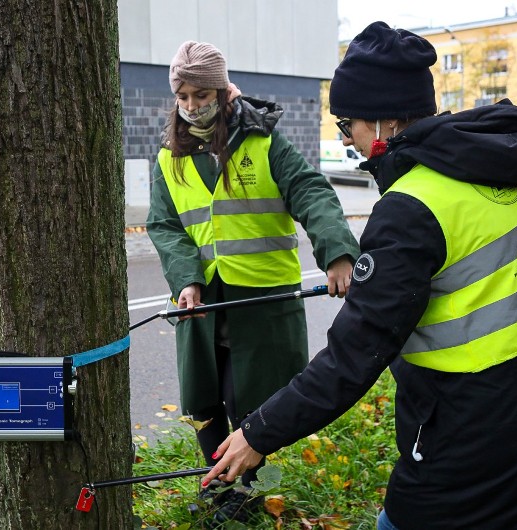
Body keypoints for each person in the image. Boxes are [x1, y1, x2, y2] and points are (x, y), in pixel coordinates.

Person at [202, 21, 517, 529]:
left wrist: (258, 432)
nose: (349, 140)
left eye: (347, 124)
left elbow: (353, 355)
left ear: (383, 123)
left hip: (478, 441)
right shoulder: (492, 165)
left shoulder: (409, 207)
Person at [146, 40, 361, 523]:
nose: (192, 106)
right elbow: (164, 226)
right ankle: (217, 487)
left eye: (202, 95)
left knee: (255, 401)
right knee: (203, 399)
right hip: (200, 301)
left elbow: (312, 193)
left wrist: (338, 253)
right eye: (183, 96)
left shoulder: (263, 141)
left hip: (262, 299)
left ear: (222, 92)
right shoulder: (168, 158)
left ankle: (247, 493)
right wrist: (186, 278)